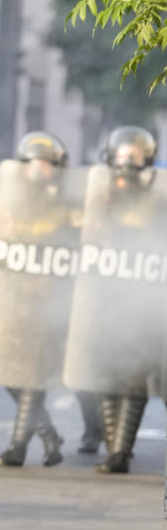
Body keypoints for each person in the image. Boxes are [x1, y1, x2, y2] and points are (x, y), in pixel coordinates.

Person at [0, 131, 69, 467]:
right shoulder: (6, 198)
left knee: (32, 375)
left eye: (46, 164)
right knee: (8, 374)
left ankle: (17, 447)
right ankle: (49, 433)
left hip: (47, 300)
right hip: (11, 299)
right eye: (33, 163)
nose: (39, 170)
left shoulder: (65, 201)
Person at [93, 126, 158, 474]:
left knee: (133, 378)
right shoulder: (99, 195)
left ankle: (119, 452)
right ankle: (112, 445)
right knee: (106, 376)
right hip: (105, 299)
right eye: (123, 154)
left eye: (134, 156)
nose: (126, 162)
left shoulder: (155, 198)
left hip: (141, 302)